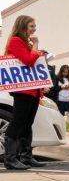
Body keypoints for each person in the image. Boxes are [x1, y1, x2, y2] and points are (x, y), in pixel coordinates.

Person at [3, 15, 46, 170]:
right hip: (23, 90)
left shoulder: (25, 42)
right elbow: (28, 60)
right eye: (31, 26)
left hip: (32, 90)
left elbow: (31, 61)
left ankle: (26, 156)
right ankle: (10, 158)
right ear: (22, 26)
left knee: (27, 123)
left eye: (34, 26)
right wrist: (35, 45)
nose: (34, 29)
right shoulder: (15, 41)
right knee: (17, 122)